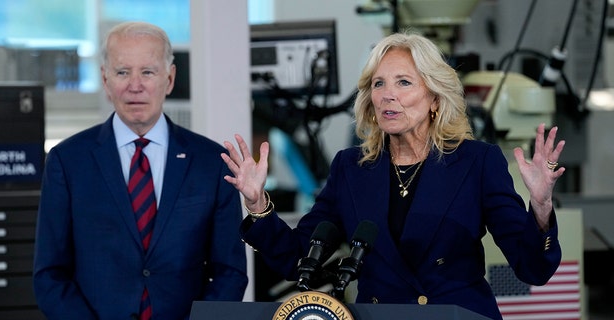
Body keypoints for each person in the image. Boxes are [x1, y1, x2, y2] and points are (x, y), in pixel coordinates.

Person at [221, 31, 564, 320]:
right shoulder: (350, 168)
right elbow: (297, 260)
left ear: (433, 97)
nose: (388, 94)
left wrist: (541, 206)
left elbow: (532, 268)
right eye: (378, 84)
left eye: (403, 82)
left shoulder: (476, 162)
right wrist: (257, 203)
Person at [33, 21, 248, 319]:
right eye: (123, 72)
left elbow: (230, 272)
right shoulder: (67, 162)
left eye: (148, 72)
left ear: (169, 79)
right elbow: (50, 275)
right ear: (106, 81)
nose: (135, 85)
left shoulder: (212, 162)